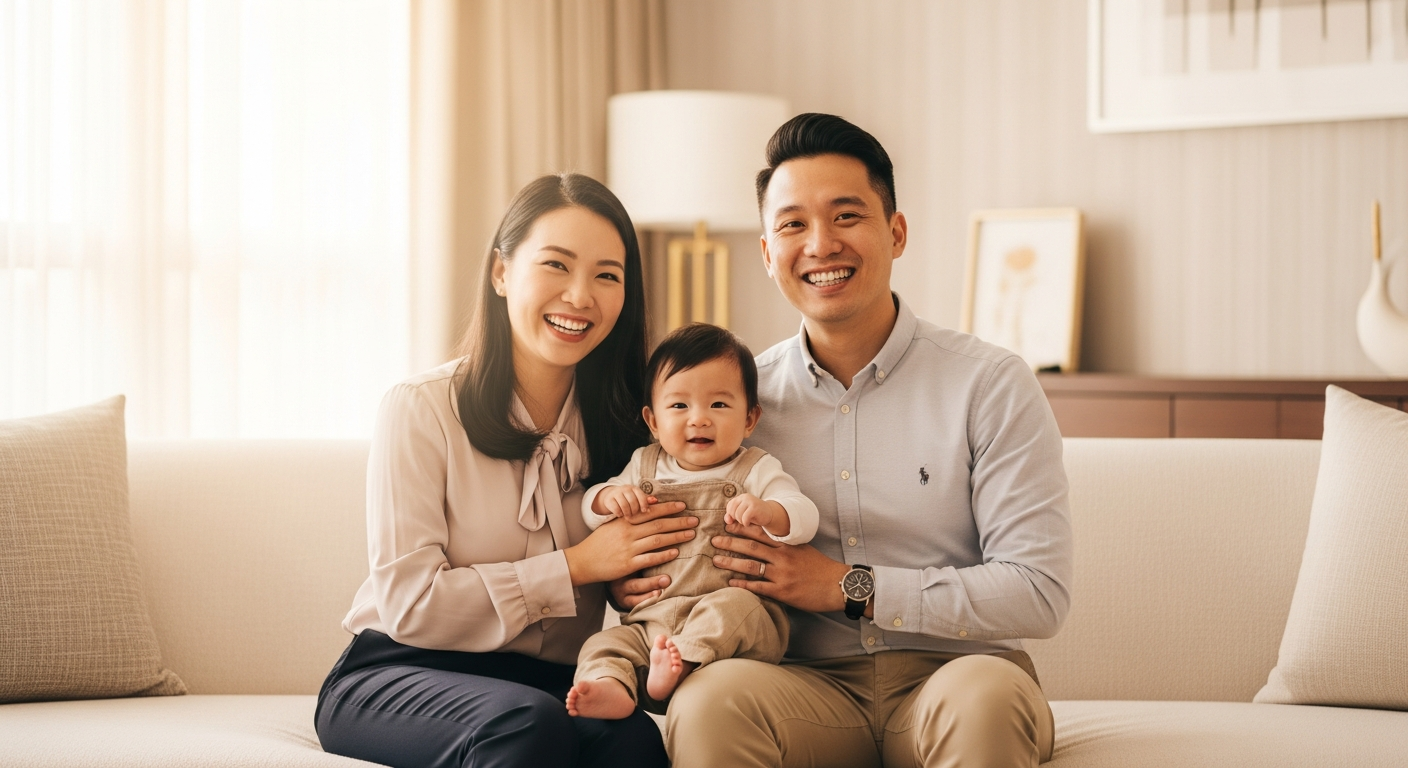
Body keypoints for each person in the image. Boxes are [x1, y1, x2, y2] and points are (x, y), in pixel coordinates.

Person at [647, 114, 1075, 767]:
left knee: (985, 697)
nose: (820, 244)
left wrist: (851, 586)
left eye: (846, 216)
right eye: (793, 224)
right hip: (800, 685)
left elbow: (1038, 592)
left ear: (895, 233)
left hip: (954, 676)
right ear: (767, 253)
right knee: (708, 702)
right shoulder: (737, 402)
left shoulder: (989, 383)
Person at [315, 173, 697, 768]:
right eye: (556, 265)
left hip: (545, 683)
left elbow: (644, 583)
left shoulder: (630, 429)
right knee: (526, 724)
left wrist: (633, 585)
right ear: (501, 273)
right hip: (399, 670)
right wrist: (577, 565)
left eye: (606, 275)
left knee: (633, 742)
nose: (580, 296)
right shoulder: (420, 408)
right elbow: (410, 604)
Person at [565, 323, 819, 719]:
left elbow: (804, 516)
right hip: (652, 623)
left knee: (736, 607)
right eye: (679, 406)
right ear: (652, 420)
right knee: (605, 642)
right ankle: (609, 686)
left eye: (718, 405)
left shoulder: (755, 468)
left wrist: (770, 512)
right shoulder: (643, 465)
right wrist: (609, 498)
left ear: (751, 419)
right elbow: (590, 509)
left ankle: (680, 665)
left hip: (734, 617)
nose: (699, 419)